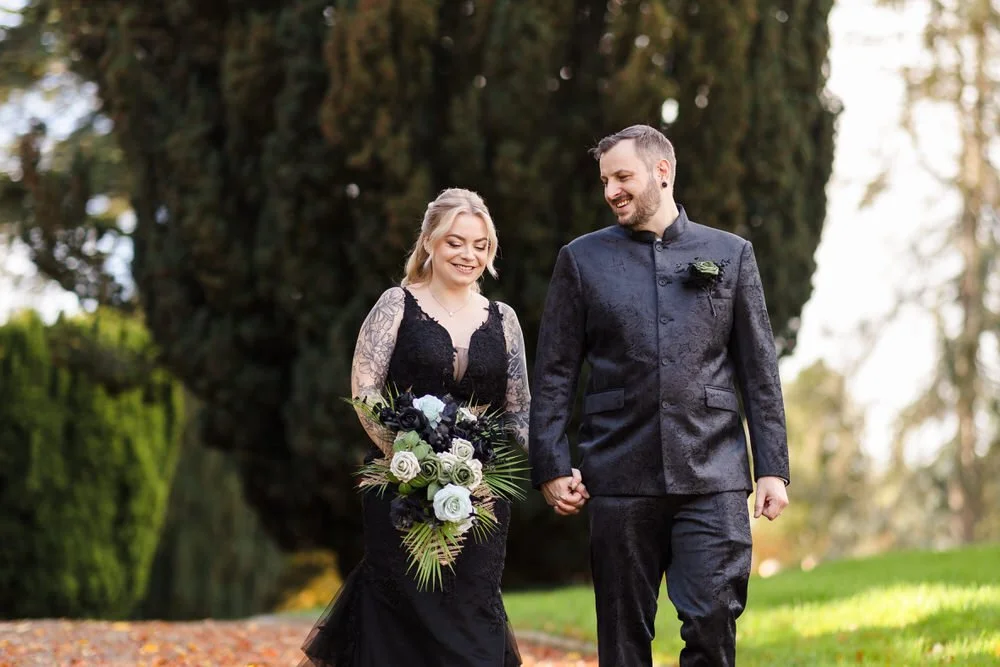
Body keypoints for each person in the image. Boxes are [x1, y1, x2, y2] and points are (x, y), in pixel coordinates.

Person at [528, 125, 790, 667]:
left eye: (623, 177)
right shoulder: (580, 260)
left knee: (713, 622)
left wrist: (772, 468)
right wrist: (550, 463)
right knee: (622, 639)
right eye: (605, 180)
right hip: (617, 472)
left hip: (714, 473)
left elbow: (759, 370)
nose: (612, 191)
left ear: (662, 171)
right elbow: (554, 372)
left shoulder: (731, 254)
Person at [300, 188, 532, 667]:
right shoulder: (396, 305)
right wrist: (413, 460)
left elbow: (519, 409)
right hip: (401, 488)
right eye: (455, 242)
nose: (468, 255)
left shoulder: (504, 320)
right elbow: (365, 390)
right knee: (400, 626)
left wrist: (556, 467)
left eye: (480, 245)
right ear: (429, 242)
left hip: (480, 498)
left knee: (473, 623)